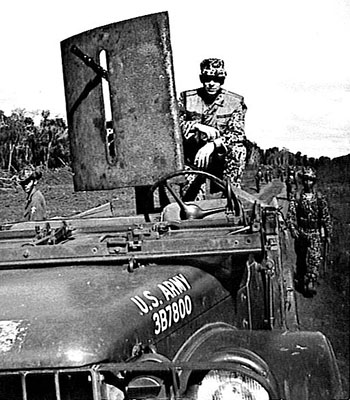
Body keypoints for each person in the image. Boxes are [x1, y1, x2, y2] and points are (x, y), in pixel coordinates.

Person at [178, 58, 247, 199]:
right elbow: (174, 125)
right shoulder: (186, 98)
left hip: (220, 157)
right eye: (207, 78)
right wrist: (196, 126)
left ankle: (231, 194)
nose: (211, 83)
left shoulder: (235, 102)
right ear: (202, 79)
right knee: (192, 201)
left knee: (238, 149)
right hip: (193, 156)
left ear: (222, 80)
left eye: (216, 79)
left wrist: (212, 145)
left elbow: (237, 134)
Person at [286, 167, 332, 296]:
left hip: (315, 232)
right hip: (301, 232)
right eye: (305, 180)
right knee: (301, 259)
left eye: (310, 180)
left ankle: (311, 281)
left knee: (314, 258)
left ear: (314, 181)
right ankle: (301, 279)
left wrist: (328, 233)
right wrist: (293, 229)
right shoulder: (298, 196)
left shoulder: (319, 197)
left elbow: (325, 216)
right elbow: (290, 215)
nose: (307, 183)